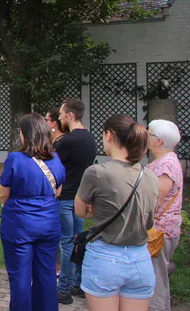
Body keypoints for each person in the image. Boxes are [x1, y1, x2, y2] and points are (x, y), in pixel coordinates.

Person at [75, 114, 159, 311]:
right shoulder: (151, 177)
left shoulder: (96, 172)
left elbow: (80, 210)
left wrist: (95, 209)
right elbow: (148, 222)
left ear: (109, 135)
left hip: (105, 257)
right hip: (141, 258)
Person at [0, 113, 65, 311]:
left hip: (19, 225)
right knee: (46, 275)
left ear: (25, 134)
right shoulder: (55, 158)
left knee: (20, 277)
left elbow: (3, 193)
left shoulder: (15, 159)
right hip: (49, 223)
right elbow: (58, 191)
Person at [56, 98, 97, 304]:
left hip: (65, 198)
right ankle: (77, 284)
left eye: (62, 114)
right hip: (82, 197)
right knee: (80, 241)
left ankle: (63, 289)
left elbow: (53, 166)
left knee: (66, 243)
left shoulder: (66, 141)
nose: (60, 117)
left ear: (70, 115)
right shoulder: (90, 139)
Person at [146, 119, 184, 311]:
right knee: (159, 277)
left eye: (149, 132)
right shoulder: (165, 161)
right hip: (163, 230)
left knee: (156, 279)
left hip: (159, 232)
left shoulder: (166, 165)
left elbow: (156, 201)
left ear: (158, 141)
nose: (145, 134)